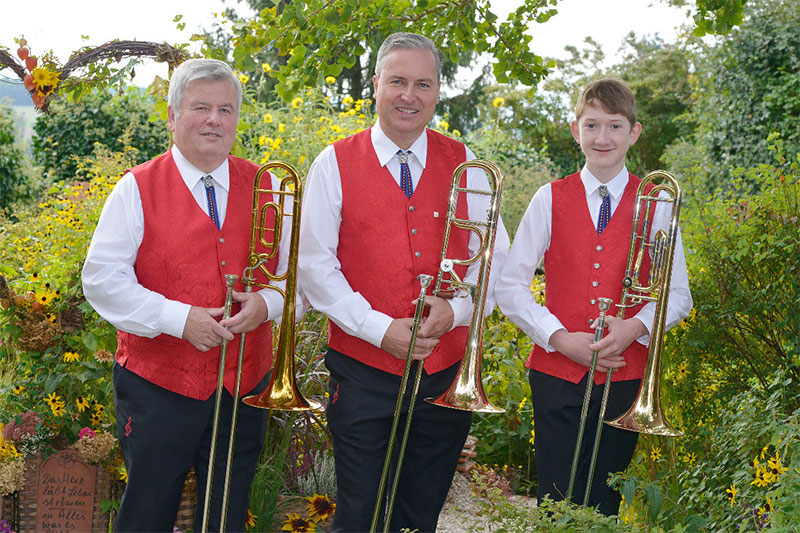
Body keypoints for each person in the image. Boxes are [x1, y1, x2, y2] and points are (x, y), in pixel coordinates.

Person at [298, 32, 510, 532]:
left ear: (438, 91)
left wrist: (457, 312)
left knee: (421, 515)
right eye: (397, 81)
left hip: (444, 372)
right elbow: (314, 265)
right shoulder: (333, 163)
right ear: (376, 85)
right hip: (362, 371)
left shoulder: (467, 160)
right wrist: (379, 328)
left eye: (423, 83)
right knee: (358, 513)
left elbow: (497, 257)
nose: (409, 95)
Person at [82, 58, 291, 532]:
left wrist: (266, 305)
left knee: (227, 514)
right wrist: (178, 318)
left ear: (237, 118)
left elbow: (293, 273)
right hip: (159, 384)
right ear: (172, 117)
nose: (215, 120)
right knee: (148, 512)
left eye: (226, 109)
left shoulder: (271, 186)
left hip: (245, 384)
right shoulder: (135, 188)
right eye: (201, 107)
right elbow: (102, 279)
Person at [495, 78, 693, 516]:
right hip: (555, 374)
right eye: (592, 125)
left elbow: (678, 294)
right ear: (575, 129)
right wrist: (559, 338)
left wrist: (635, 327)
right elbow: (509, 287)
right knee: (555, 498)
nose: (602, 138)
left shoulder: (657, 202)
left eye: (615, 126)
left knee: (604, 501)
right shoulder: (548, 198)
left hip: (624, 378)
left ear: (634, 133)